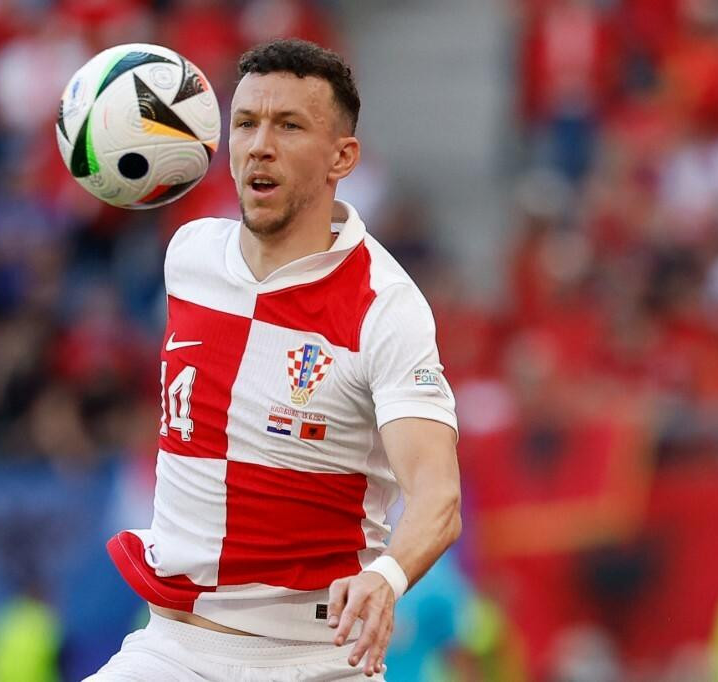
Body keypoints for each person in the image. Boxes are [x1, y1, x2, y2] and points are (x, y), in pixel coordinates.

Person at [86, 38, 462, 681]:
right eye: (245, 123)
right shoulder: (189, 257)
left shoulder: (385, 306)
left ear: (342, 156)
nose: (260, 144)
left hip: (314, 660)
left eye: (289, 126)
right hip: (170, 650)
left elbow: (439, 496)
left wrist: (388, 577)